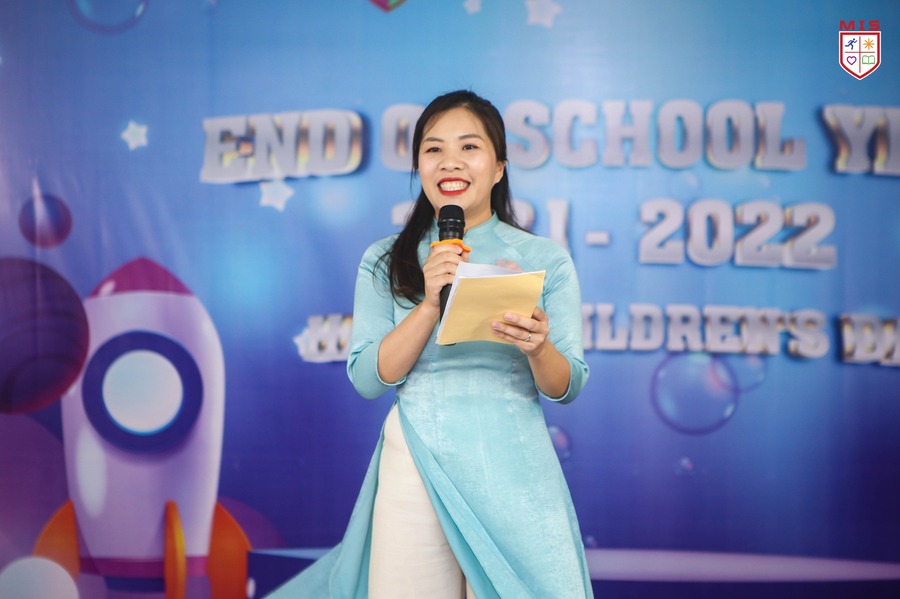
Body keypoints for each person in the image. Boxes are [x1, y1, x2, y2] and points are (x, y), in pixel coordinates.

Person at [270, 90, 592, 598]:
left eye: (469, 147)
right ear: (418, 166)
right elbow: (367, 379)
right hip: (415, 457)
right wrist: (428, 305)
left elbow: (566, 386)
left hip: (511, 462)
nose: (450, 162)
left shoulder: (544, 259)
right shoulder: (386, 258)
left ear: (499, 167)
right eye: (433, 149)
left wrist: (537, 347)